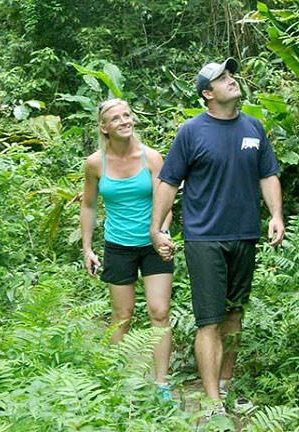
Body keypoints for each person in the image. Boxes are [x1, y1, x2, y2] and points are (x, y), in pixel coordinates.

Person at [150, 58, 285, 417]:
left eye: (230, 75)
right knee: (208, 319)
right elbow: (168, 182)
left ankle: (226, 385)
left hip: (244, 235)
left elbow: (268, 174)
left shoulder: (254, 127)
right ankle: (212, 402)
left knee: (234, 316)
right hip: (204, 237)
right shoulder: (191, 132)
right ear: (207, 93)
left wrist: (276, 215)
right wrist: (157, 227)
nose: (231, 80)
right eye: (221, 79)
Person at [80, 98, 174, 400]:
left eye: (127, 115)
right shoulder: (95, 163)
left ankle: (162, 384)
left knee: (159, 312)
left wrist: (161, 233)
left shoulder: (152, 158)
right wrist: (87, 248)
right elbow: (89, 205)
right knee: (122, 315)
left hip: (152, 244)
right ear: (104, 127)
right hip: (117, 246)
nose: (124, 121)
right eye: (116, 118)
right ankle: (116, 383)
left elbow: (166, 202)